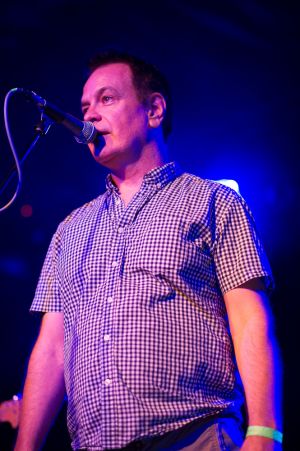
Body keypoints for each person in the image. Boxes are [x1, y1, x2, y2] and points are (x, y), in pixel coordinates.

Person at [14, 51, 282, 451]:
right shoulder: (70, 229)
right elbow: (51, 348)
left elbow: (248, 317)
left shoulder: (213, 202)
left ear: (154, 110)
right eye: (85, 107)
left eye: (107, 99)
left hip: (194, 436)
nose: (90, 116)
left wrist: (264, 430)